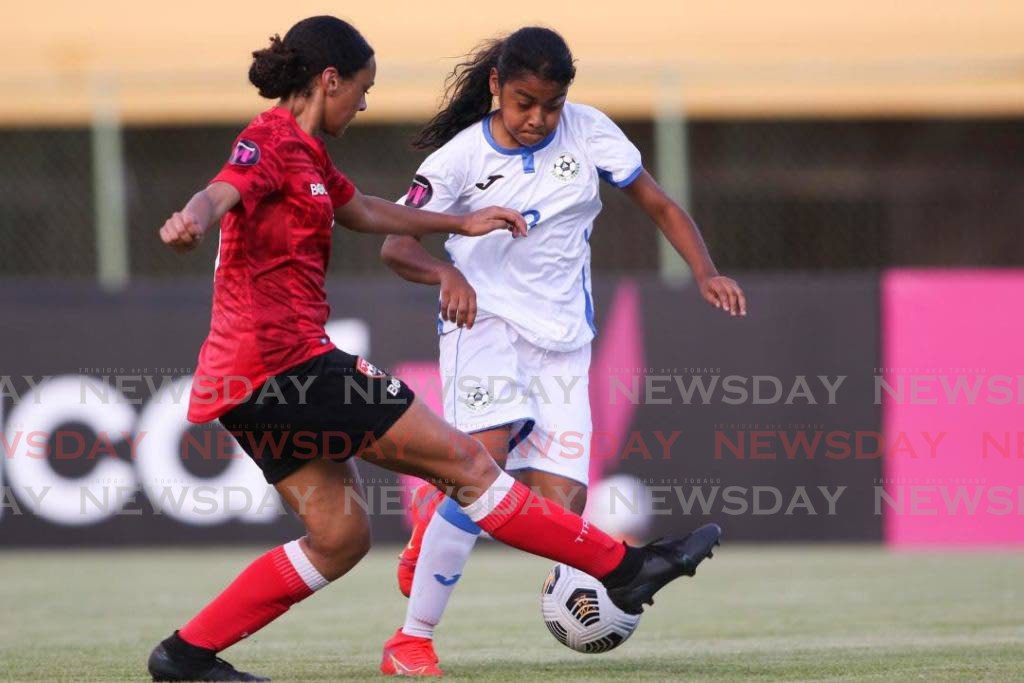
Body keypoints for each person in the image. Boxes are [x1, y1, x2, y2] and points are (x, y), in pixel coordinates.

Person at [148, 16, 721, 682]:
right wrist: (195, 217)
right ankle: (626, 568)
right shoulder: (270, 139)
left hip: (248, 383)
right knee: (469, 464)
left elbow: (362, 210)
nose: (362, 104)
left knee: (340, 540)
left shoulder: (310, 157)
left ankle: (184, 656)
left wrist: (458, 223)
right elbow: (224, 185)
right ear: (329, 80)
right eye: (360, 90)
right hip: (289, 365)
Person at [379, 26, 745, 676]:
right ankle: (412, 640)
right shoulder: (459, 160)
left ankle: (439, 514)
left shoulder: (590, 131)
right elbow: (396, 245)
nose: (537, 118)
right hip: (483, 325)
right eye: (523, 102)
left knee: (557, 514)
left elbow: (658, 204)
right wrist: (448, 275)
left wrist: (706, 270)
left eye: (551, 104)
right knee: (480, 469)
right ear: (495, 85)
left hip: (564, 346)